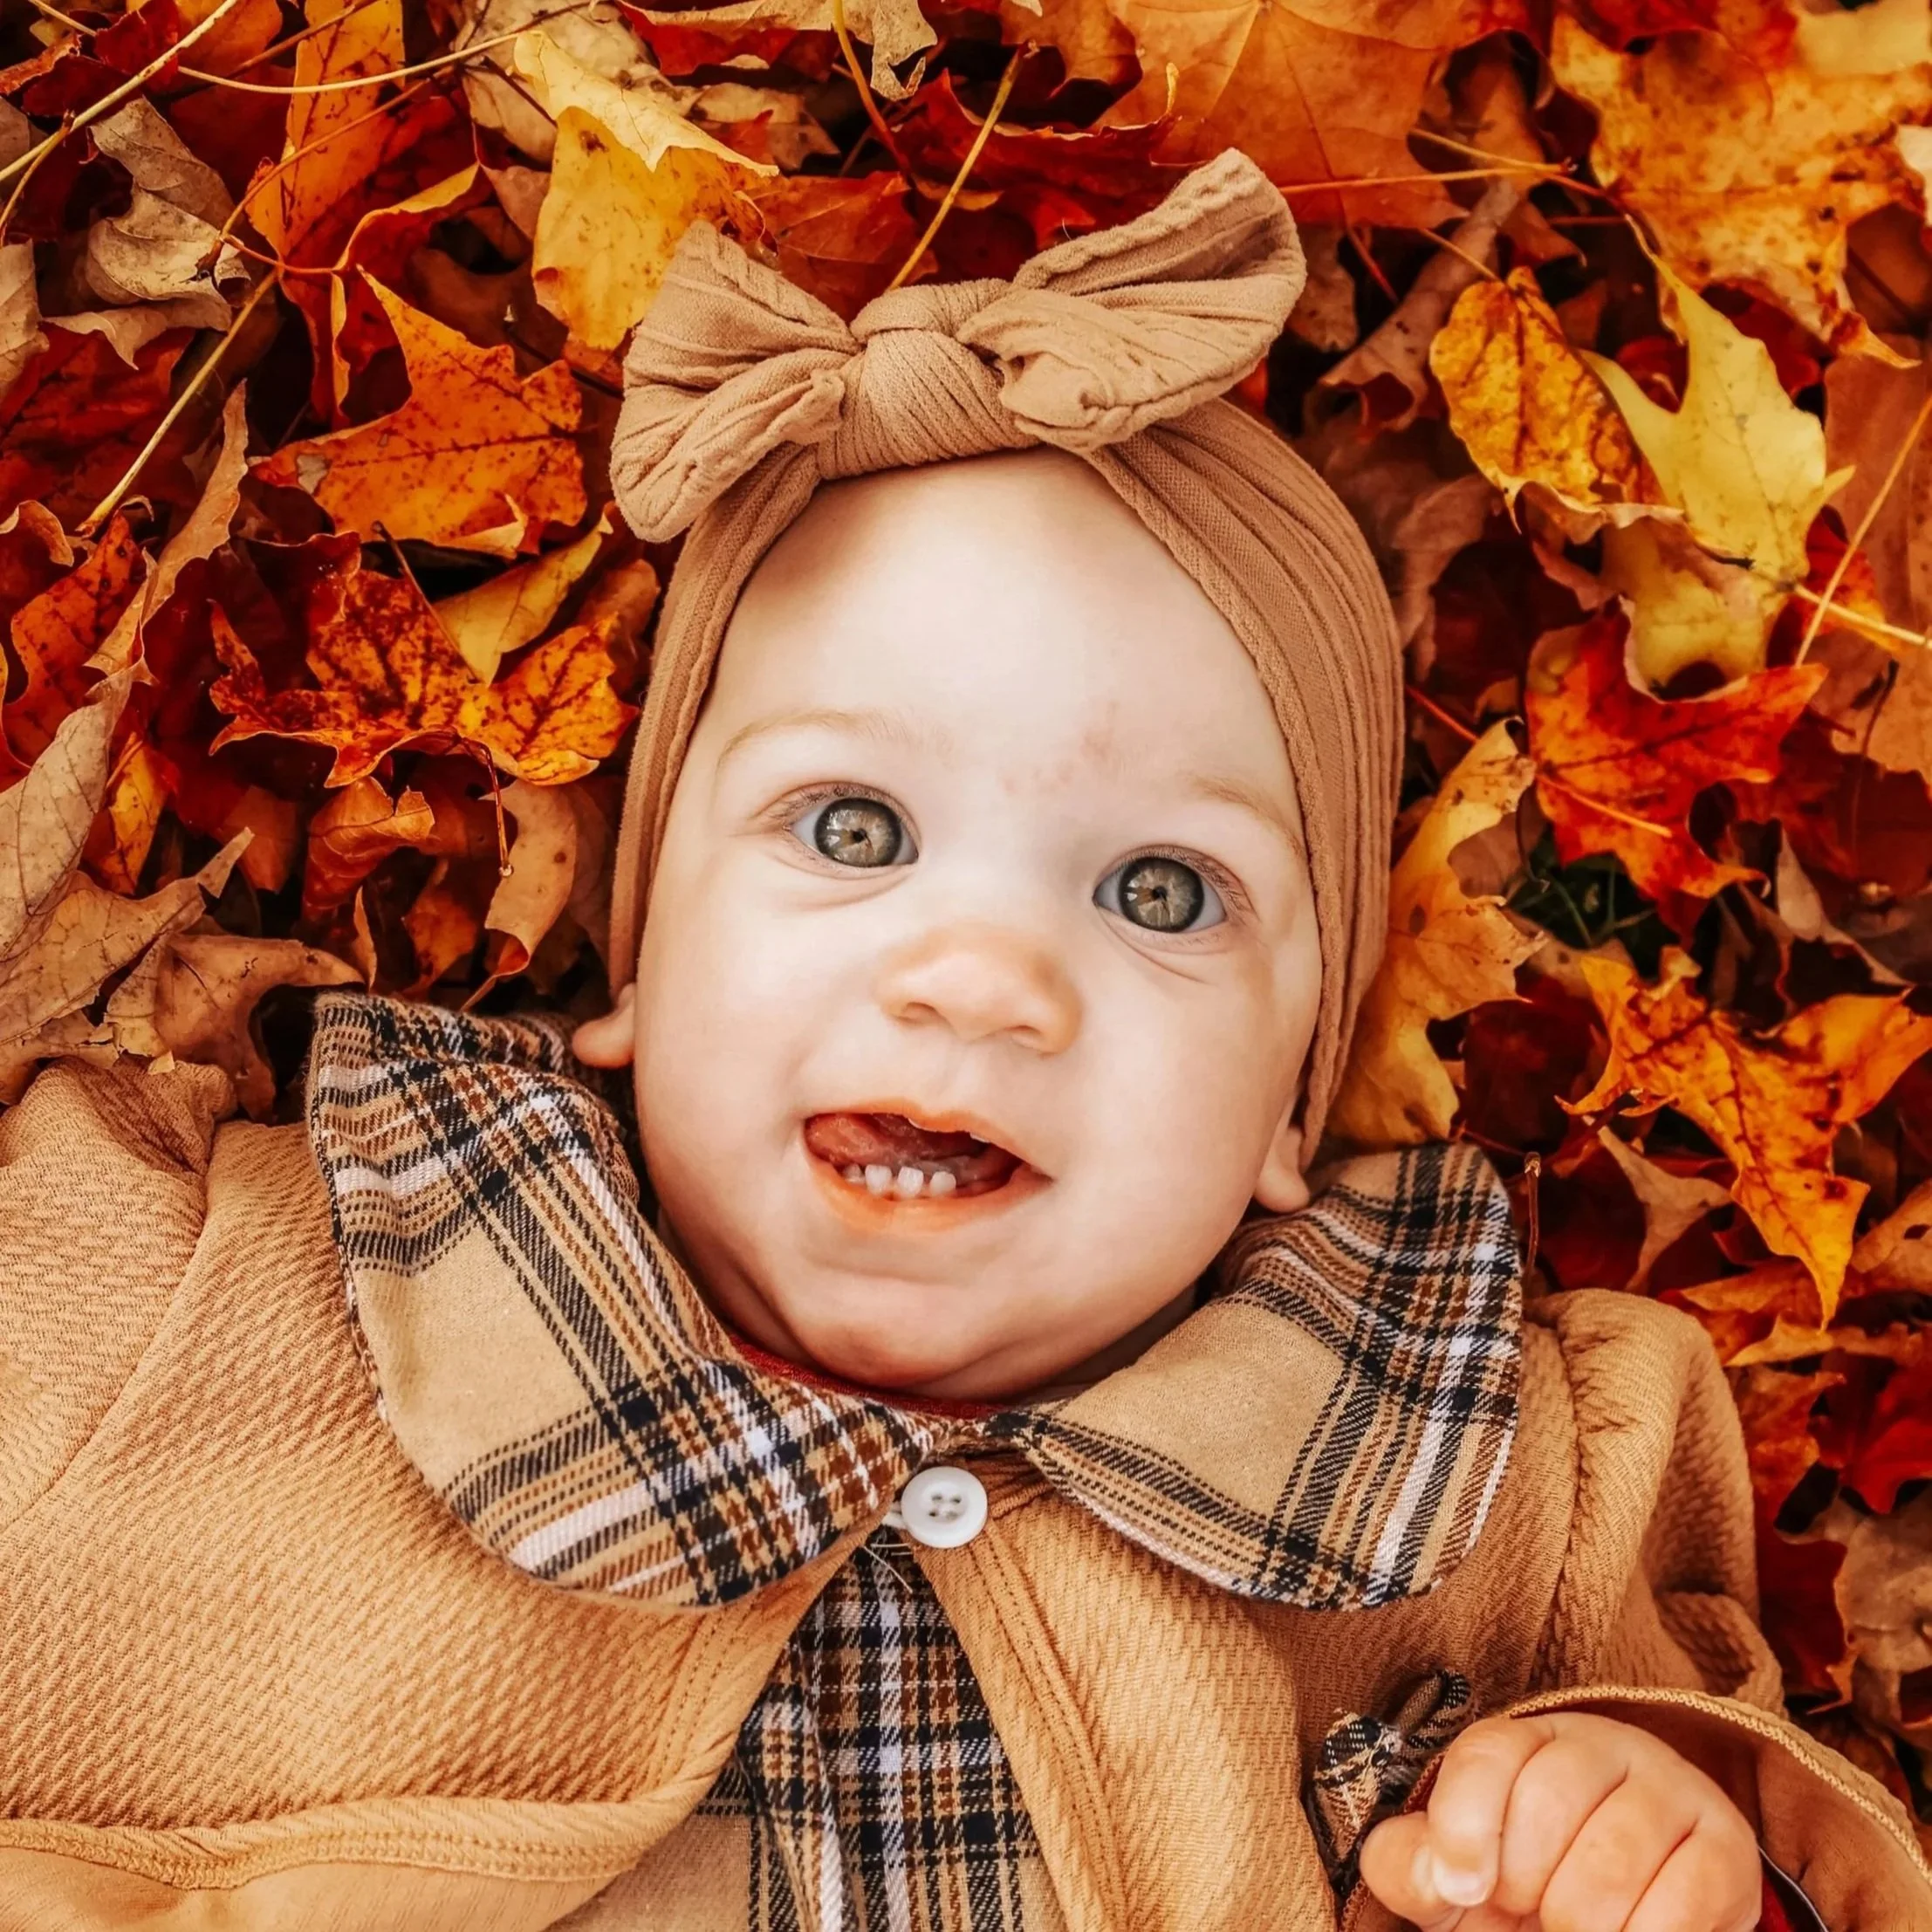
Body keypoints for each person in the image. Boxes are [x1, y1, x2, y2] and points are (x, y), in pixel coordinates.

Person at [0, 152, 1922, 1932]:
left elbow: (1740, 1825)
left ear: (1293, 1093)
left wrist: (1642, 1834)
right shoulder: (182, 1292)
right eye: (852, 833)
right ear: (644, 964)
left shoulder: (1502, 1479)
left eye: (1163, 894)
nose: (981, 978)